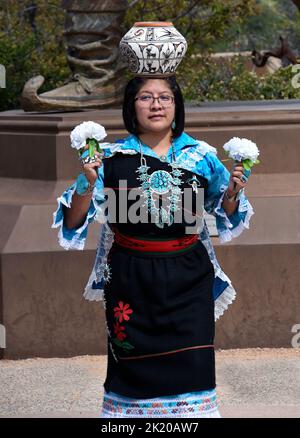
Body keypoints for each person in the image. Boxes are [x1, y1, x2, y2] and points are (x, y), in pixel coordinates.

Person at [52, 23, 254, 419]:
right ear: (132, 106)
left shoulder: (202, 157)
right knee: (132, 376)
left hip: (188, 280)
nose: (156, 104)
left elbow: (226, 216)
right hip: (131, 281)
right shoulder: (108, 159)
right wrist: (86, 183)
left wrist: (232, 191)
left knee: (192, 374)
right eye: (146, 97)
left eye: (165, 97)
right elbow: (75, 222)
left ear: (177, 105)